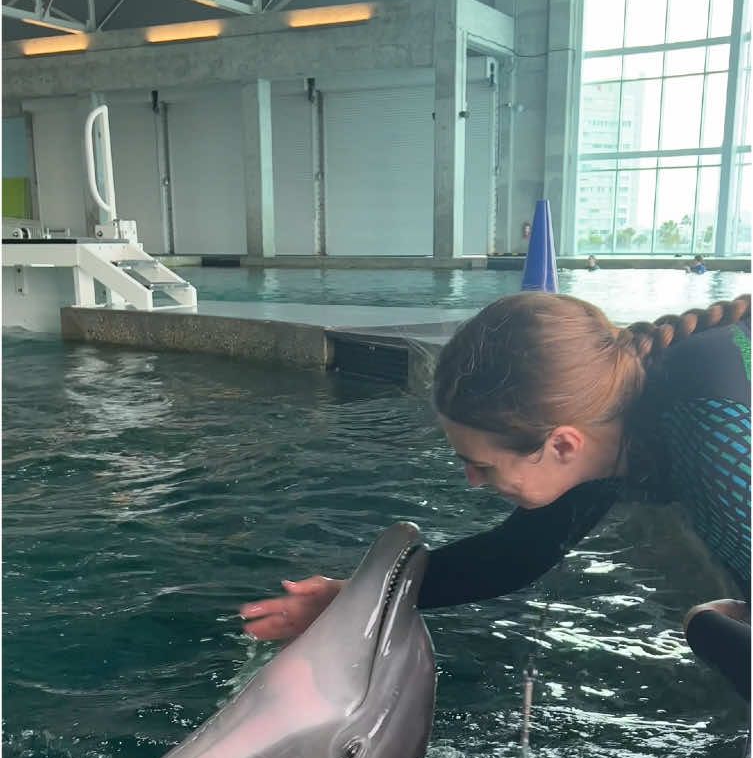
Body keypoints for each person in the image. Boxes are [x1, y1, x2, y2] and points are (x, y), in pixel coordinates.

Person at [241, 293, 751, 701]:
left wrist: (707, 628)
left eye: (482, 465)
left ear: (562, 445)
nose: (472, 481)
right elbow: (517, 555)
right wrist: (354, 599)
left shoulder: (723, 453)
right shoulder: (613, 416)